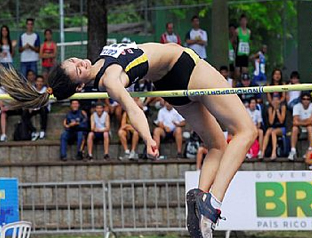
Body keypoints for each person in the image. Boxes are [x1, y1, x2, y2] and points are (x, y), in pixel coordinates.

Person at [0, 42, 257, 237]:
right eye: (78, 70)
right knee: (247, 132)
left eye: (74, 59)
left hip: (169, 80)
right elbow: (133, 109)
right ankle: (212, 204)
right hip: (185, 66)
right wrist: (148, 138)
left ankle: (200, 203)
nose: (81, 63)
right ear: (79, 87)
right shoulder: (110, 80)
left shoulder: (101, 59)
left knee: (216, 146)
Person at [22, 75, 50, 140]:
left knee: (43, 110)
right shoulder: (32, 89)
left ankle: (42, 131)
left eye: (41, 82)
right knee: (24, 113)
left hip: (42, 107)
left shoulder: (46, 90)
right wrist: (30, 107)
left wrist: (37, 106)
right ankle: (33, 131)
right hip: (33, 108)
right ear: (35, 82)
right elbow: (29, 100)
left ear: (43, 83)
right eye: (38, 81)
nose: (39, 83)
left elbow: (46, 102)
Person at [288, 92, 312, 161]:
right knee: (294, 128)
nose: (306, 101)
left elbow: (311, 122)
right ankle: (293, 150)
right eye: (304, 99)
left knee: (310, 128)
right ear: (301, 100)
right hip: (300, 127)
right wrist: (307, 121)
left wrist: (300, 121)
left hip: (309, 127)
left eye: (308, 99)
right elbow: (295, 122)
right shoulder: (296, 106)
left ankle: (310, 150)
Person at [261, 96, 286, 160]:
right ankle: (262, 152)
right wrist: (274, 111)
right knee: (268, 131)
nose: (275, 102)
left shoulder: (283, 107)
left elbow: (281, 121)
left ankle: (274, 152)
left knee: (273, 132)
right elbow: (271, 122)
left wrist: (277, 111)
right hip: (274, 127)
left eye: (276, 100)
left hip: (282, 127)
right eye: (273, 101)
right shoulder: (270, 108)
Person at [235, 14, 251, 80]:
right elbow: (235, 41)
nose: (243, 22)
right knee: (237, 71)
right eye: (242, 20)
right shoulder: (237, 31)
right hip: (239, 53)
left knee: (245, 70)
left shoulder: (249, 31)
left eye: (245, 20)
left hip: (245, 52)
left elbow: (248, 42)